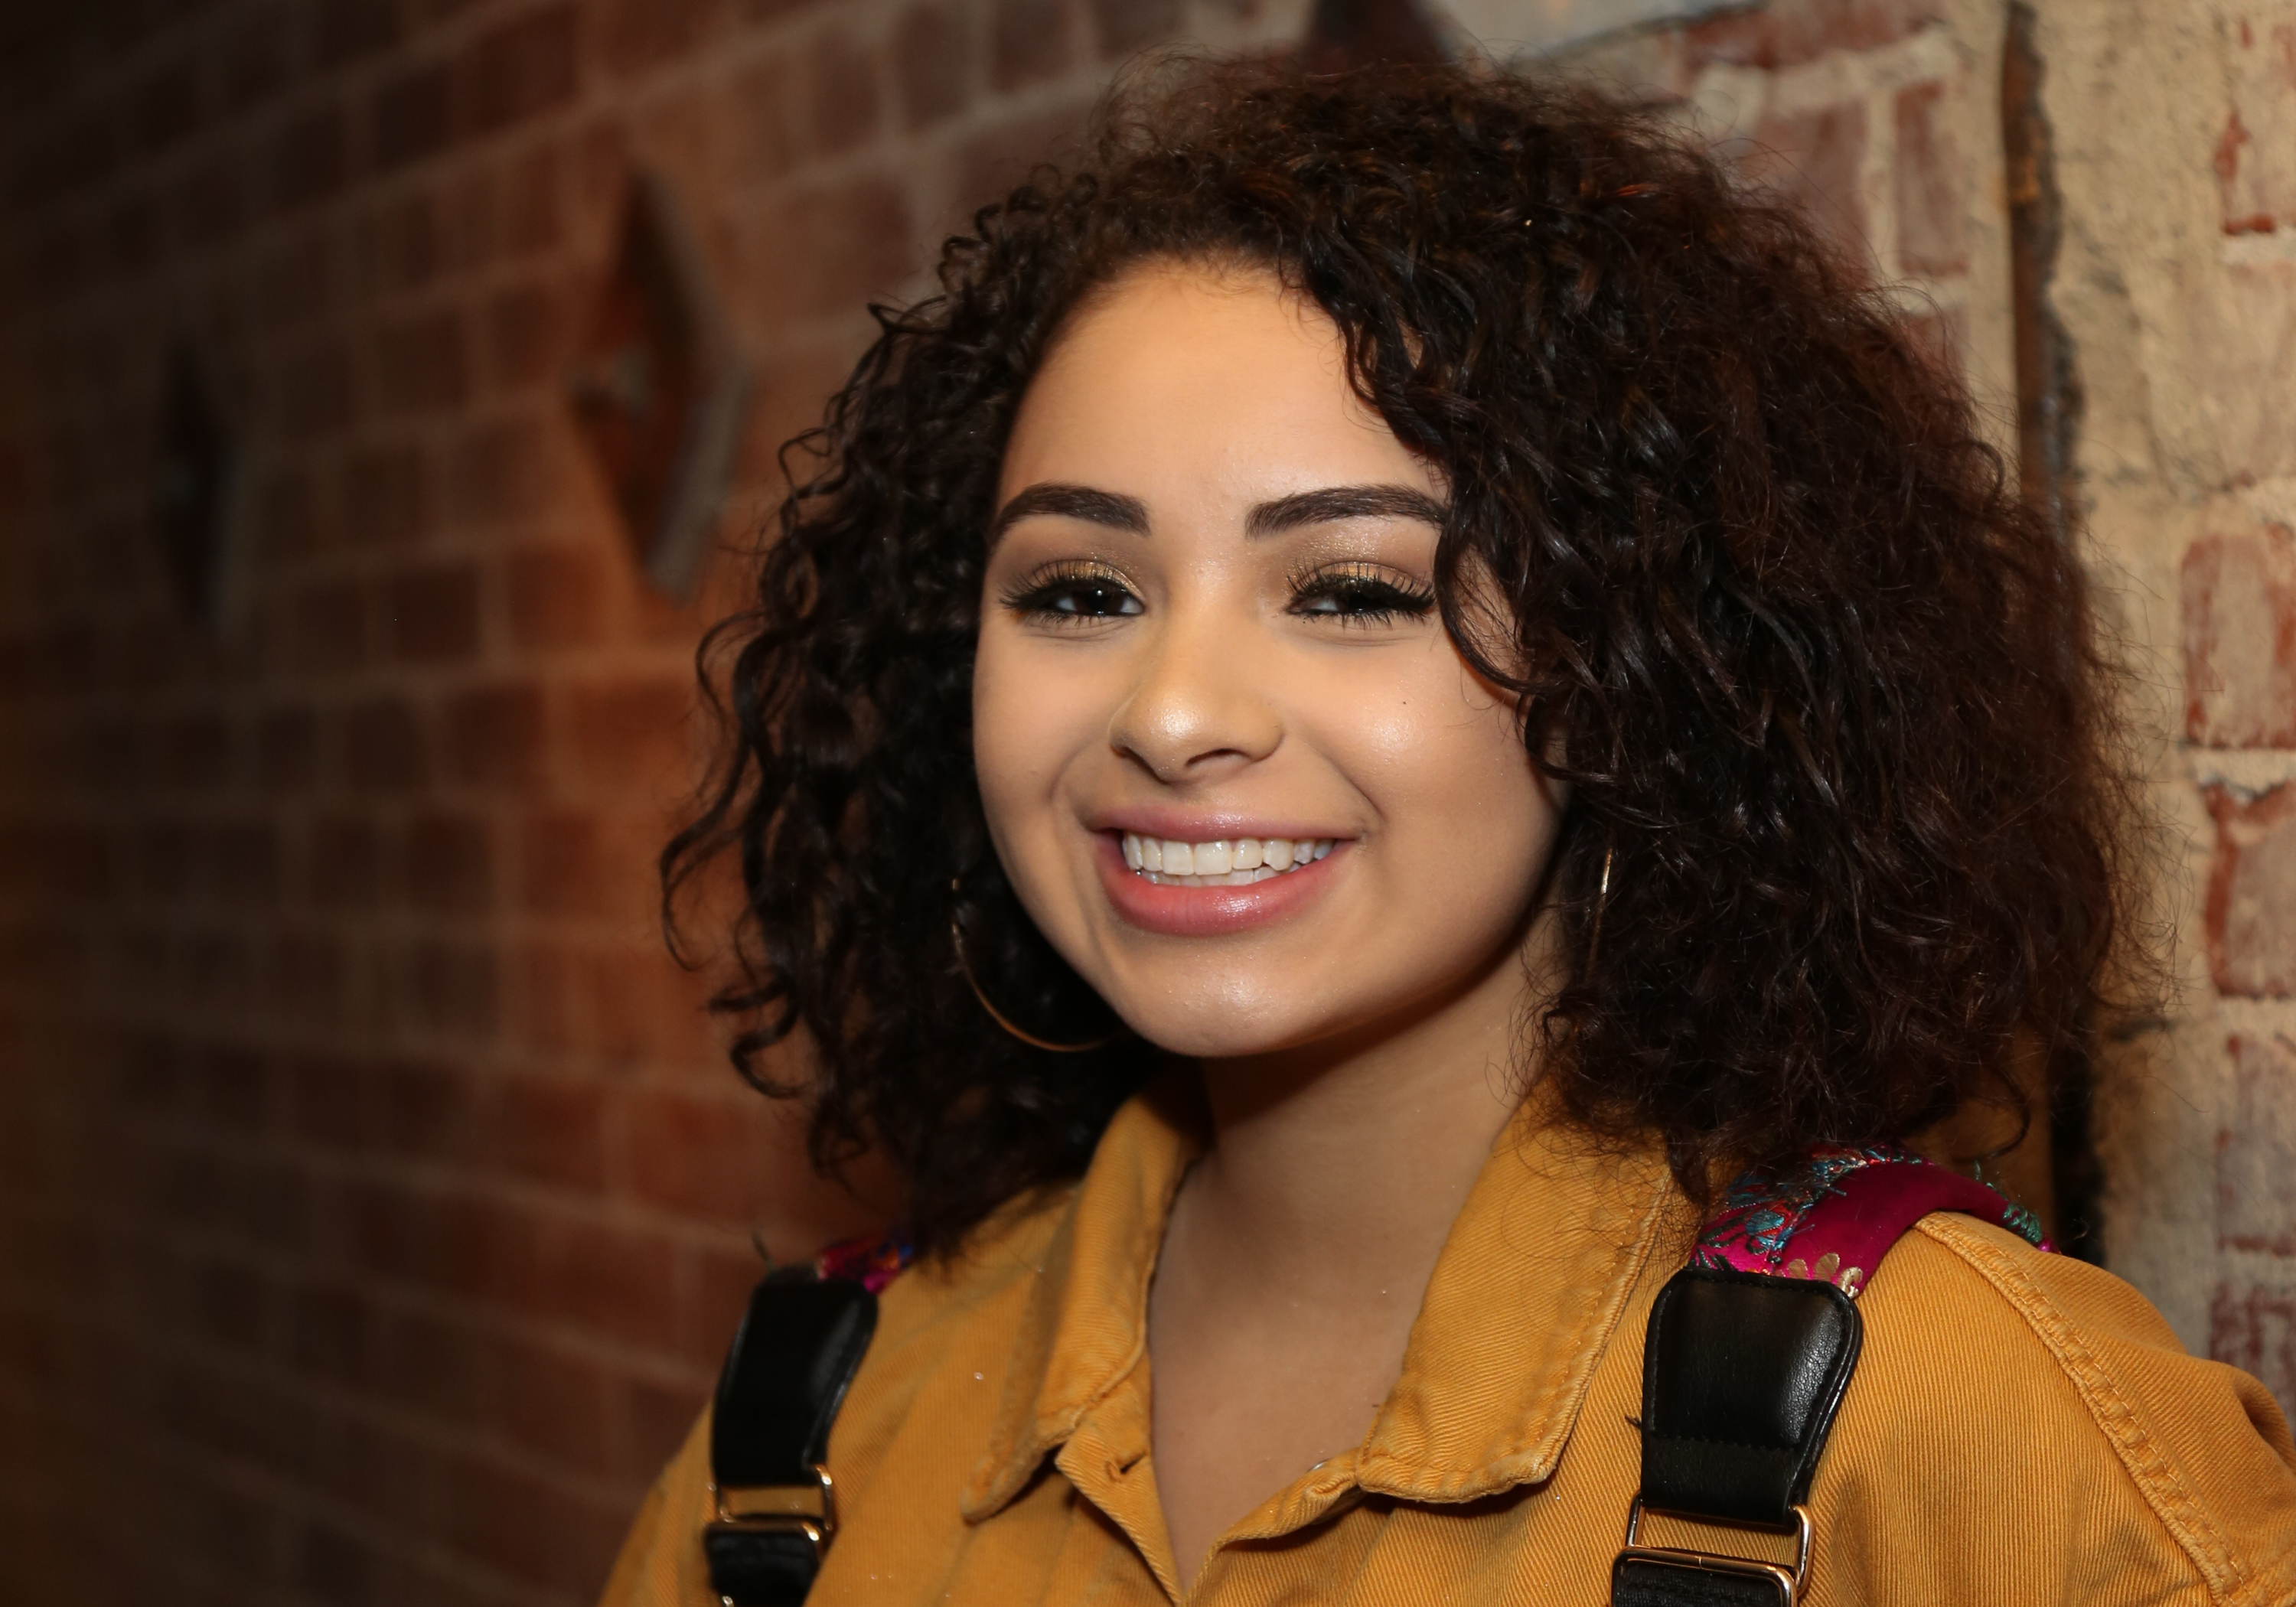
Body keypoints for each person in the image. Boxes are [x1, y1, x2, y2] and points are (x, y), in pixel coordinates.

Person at [599, 57, 2296, 1606]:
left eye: (1350, 590)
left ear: (1635, 663)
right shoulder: (814, 1441)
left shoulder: (1965, 1434)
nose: (1172, 714)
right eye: (1082, 591)